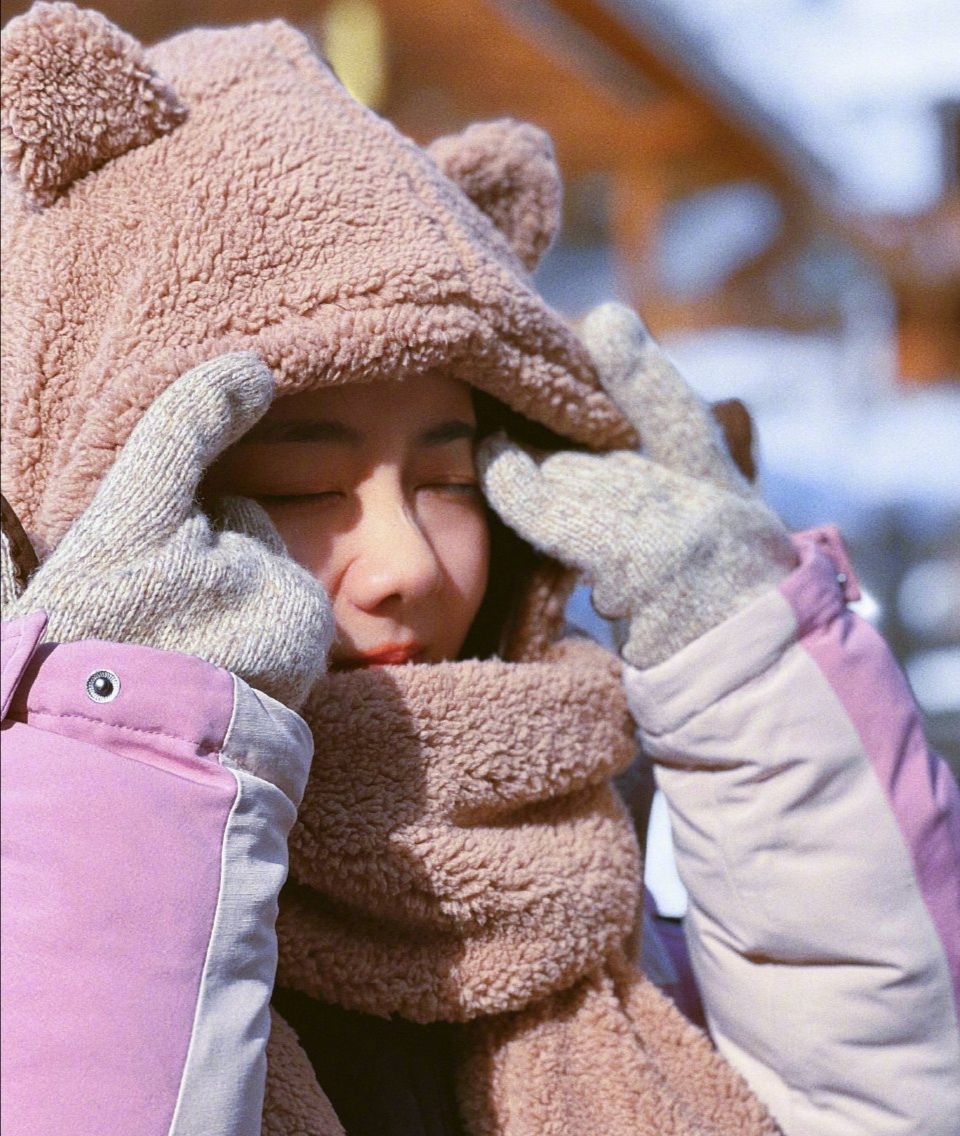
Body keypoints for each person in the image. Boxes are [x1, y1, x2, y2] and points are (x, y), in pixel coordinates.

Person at [1, 5, 957, 1136]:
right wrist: (127, 760)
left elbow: (889, 1103)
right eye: (299, 487)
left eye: (452, 481)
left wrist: (750, 670)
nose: (407, 563)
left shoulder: (584, 890)